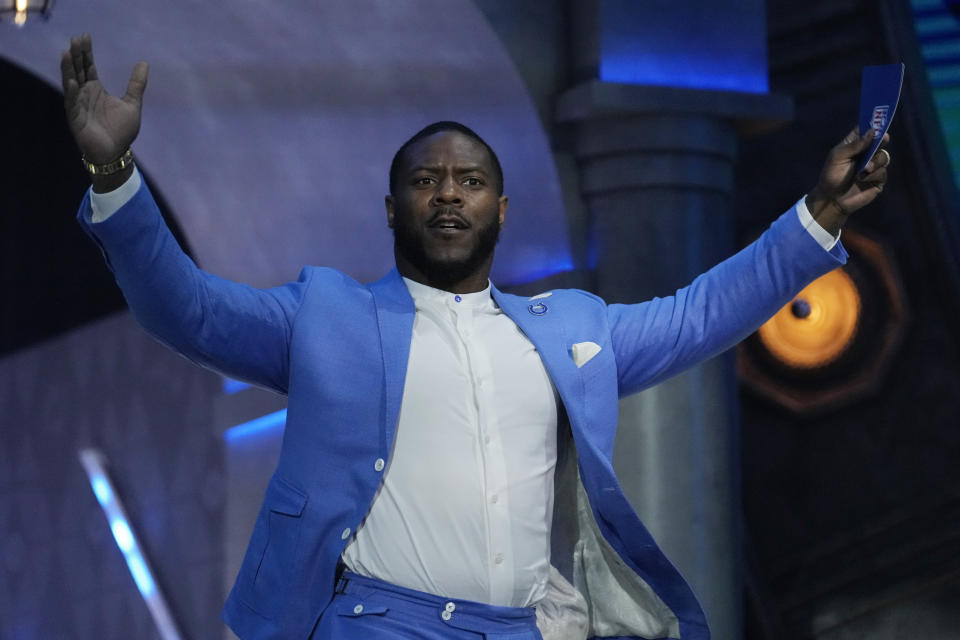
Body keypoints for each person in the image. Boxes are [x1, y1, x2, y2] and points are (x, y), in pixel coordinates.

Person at [61, 33, 889, 640]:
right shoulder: (327, 319)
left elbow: (702, 313)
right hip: (376, 622)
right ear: (393, 210)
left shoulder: (569, 330)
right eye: (426, 182)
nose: (448, 195)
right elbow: (186, 310)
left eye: (470, 181)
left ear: (501, 208)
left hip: (521, 629)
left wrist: (817, 215)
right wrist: (114, 179)